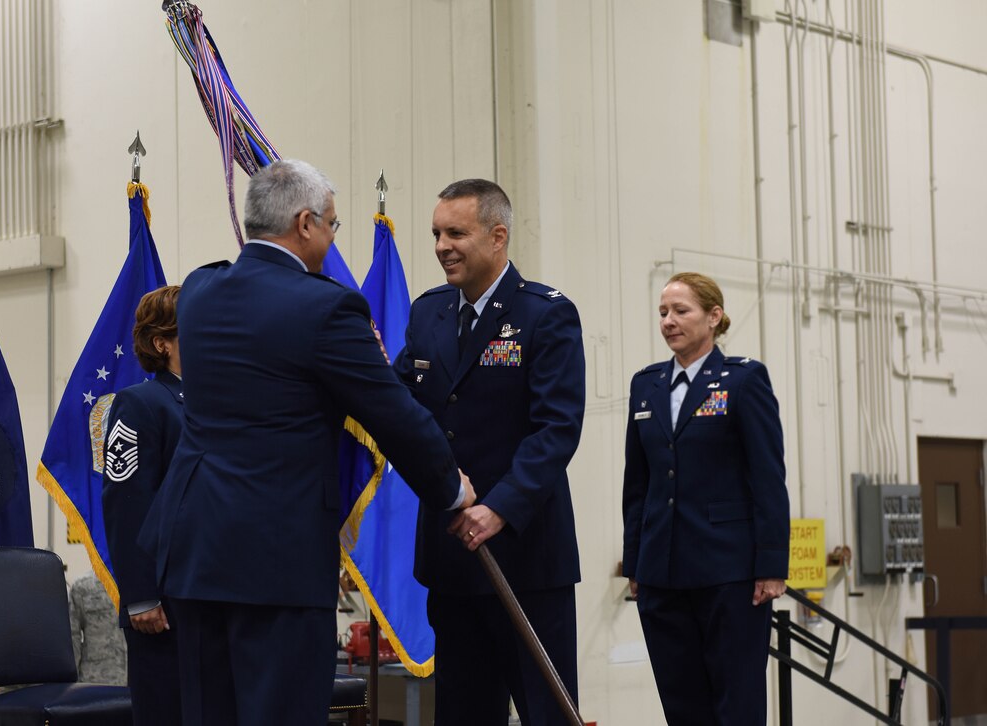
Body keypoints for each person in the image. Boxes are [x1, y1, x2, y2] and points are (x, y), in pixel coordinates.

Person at [139, 159, 474, 726]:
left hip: (195, 551)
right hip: (276, 559)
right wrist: (451, 489)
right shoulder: (327, 308)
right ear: (304, 224)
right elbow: (393, 417)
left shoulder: (199, 290)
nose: (332, 237)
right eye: (333, 226)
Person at [393, 178, 585, 726]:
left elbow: (556, 429)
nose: (441, 246)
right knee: (463, 713)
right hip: (452, 555)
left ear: (497, 236)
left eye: (456, 232)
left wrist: (499, 506)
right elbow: (403, 407)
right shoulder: (427, 312)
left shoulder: (544, 314)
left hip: (526, 560)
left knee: (544, 710)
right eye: (435, 233)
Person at [621, 272, 790, 725]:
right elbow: (636, 485)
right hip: (662, 572)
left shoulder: (743, 380)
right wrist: (634, 562)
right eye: (663, 313)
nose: (669, 321)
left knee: (736, 703)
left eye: (681, 311)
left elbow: (768, 478)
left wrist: (772, 566)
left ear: (714, 317)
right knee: (682, 704)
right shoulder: (646, 385)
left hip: (729, 573)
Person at [101, 284, 184, 726]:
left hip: (208, 598)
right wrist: (140, 597)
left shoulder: (213, 404)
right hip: (163, 606)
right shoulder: (142, 404)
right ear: (162, 342)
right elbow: (126, 504)